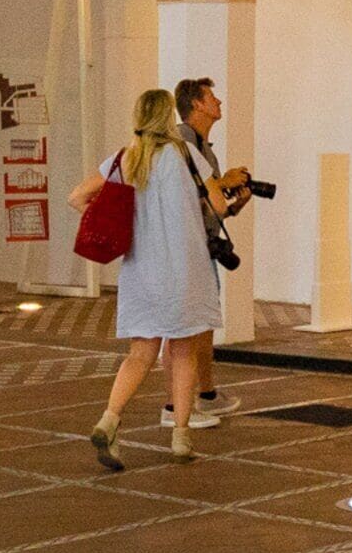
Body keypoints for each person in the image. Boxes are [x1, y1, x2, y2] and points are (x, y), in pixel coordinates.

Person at [87, 88, 240, 469]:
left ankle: (109, 419)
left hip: (141, 270)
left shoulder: (125, 158)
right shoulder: (186, 154)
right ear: (168, 116)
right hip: (185, 267)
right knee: (184, 350)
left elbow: (78, 196)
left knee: (140, 354)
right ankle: (180, 438)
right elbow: (219, 205)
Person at [168, 77, 254, 431]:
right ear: (197, 105)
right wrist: (225, 180)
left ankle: (204, 395)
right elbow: (188, 192)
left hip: (205, 245)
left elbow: (209, 204)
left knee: (201, 329)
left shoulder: (205, 148)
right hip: (187, 249)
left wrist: (235, 206)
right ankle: (176, 407)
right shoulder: (182, 145)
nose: (219, 102)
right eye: (211, 97)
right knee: (185, 332)